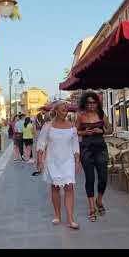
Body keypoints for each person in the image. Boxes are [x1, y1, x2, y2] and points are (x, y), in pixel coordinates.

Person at [37, 101, 81, 230]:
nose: (65, 112)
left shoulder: (72, 127)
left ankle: (70, 219)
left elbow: (75, 145)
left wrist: (77, 160)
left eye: (66, 109)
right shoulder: (48, 126)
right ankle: (57, 215)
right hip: (53, 160)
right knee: (55, 188)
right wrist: (39, 160)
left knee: (69, 188)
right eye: (63, 109)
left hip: (68, 161)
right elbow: (41, 144)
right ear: (56, 110)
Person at [76, 91, 113, 222]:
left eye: (93, 102)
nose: (91, 105)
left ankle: (99, 200)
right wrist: (84, 132)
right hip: (86, 149)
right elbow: (75, 132)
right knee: (90, 179)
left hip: (100, 148)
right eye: (88, 103)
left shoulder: (101, 115)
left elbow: (110, 130)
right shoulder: (80, 117)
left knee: (103, 177)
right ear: (84, 104)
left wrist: (101, 130)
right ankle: (92, 208)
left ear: (97, 103)